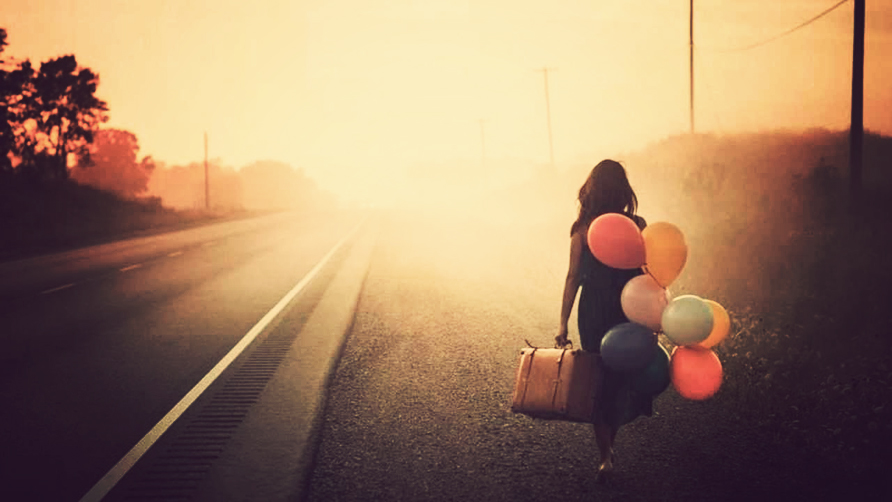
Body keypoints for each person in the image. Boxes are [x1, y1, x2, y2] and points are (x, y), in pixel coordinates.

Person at [554, 159, 654, 483]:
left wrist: (562, 324)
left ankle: (605, 456)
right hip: (629, 310)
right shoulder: (637, 224)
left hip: (594, 312)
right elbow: (651, 274)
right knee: (618, 381)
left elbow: (572, 278)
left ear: (592, 189)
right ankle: (609, 448)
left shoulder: (582, 229)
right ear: (623, 189)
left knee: (599, 383)